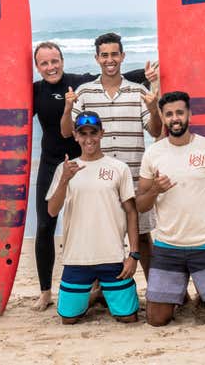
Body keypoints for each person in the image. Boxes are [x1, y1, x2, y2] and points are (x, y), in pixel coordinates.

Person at [31, 41, 155, 311]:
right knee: (51, 226)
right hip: (67, 166)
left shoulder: (78, 83)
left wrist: (146, 78)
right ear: (37, 67)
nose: (51, 67)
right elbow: (22, 118)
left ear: (63, 61)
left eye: (55, 61)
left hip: (111, 167)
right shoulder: (37, 91)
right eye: (44, 63)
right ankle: (51, 291)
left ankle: (149, 289)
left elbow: (112, 73)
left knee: (134, 231)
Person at [61, 33, 162, 281]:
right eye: (104, 55)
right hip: (98, 181)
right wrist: (67, 107)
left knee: (142, 236)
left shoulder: (138, 91)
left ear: (123, 56)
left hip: (135, 176)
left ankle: (156, 290)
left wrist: (153, 108)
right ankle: (99, 290)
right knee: (100, 235)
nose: (110, 60)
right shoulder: (84, 93)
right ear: (97, 58)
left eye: (114, 54)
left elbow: (156, 131)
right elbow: (66, 132)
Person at [136, 91, 205, 326]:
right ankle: (179, 293)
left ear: (189, 115)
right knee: (156, 319)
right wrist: (155, 190)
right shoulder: (154, 153)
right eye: (170, 114)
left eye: (180, 113)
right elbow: (141, 205)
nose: (175, 118)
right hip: (168, 248)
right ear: (163, 118)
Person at [46, 111, 140, 324]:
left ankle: (103, 292)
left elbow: (132, 211)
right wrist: (64, 180)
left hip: (112, 258)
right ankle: (94, 295)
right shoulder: (65, 169)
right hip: (77, 258)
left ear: (102, 134)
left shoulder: (118, 168)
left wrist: (133, 255)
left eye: (93, 133)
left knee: (128, 317)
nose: (89, 138)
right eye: (83, 133)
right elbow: (52, 210)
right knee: (69, 319)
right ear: (75, 136)